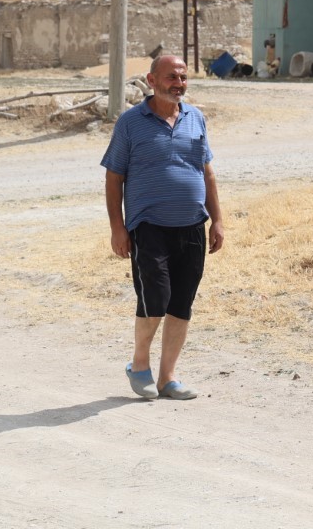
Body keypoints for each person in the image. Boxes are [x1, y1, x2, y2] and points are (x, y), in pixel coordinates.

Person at [101, 55, 224, 400]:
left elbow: (207, 172)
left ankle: (167, 378)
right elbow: (114, 178)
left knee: (181, 303)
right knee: (155, 297)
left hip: (192, 226)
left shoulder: (195, 117)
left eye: (183, 78)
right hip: (149, 226)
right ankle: (139, 364)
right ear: (151, 80)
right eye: (172, 77)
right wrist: (118, 227)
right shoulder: (130, 123)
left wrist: (218, 220)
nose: (179, 84)